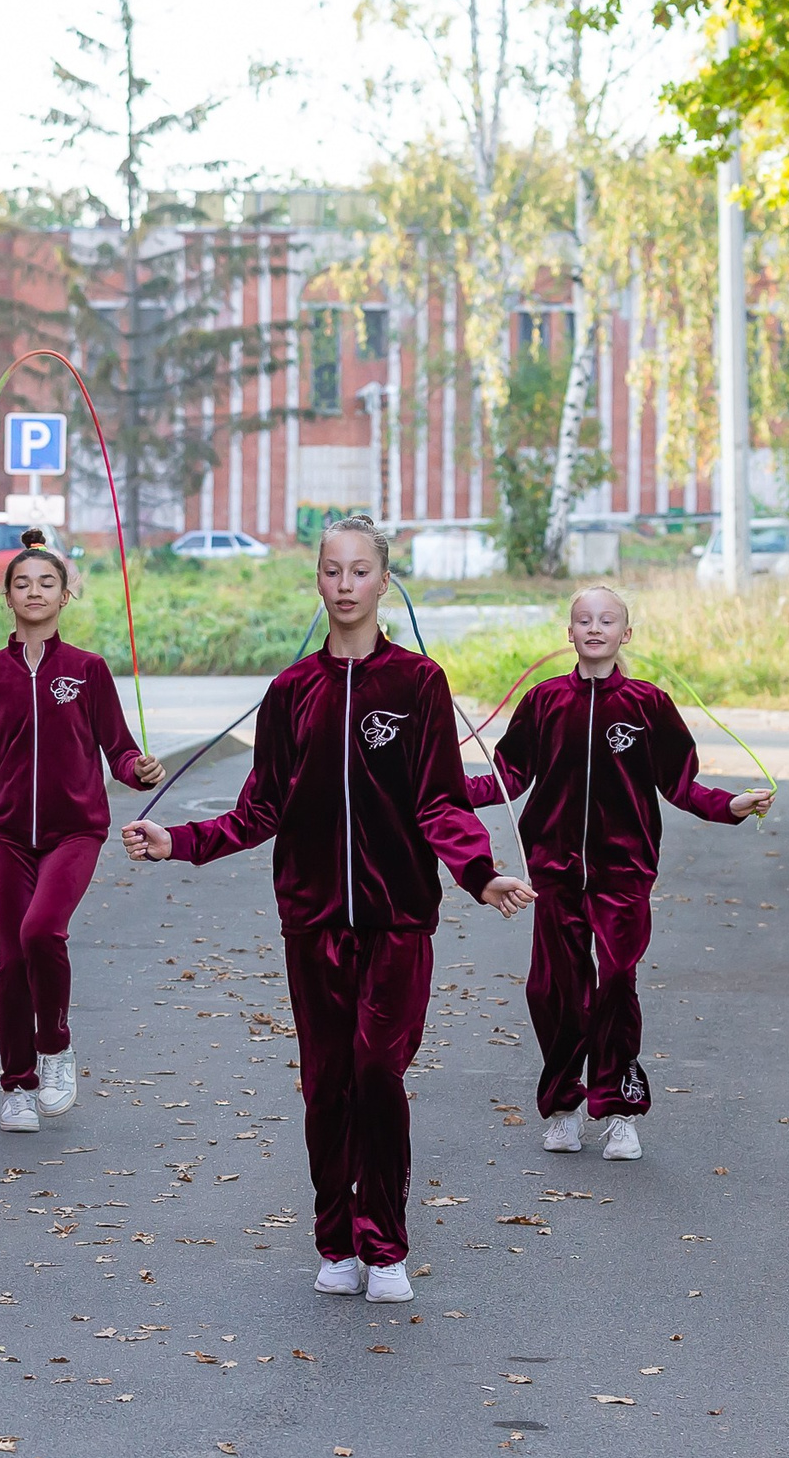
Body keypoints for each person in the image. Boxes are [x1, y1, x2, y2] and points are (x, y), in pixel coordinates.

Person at [120, 515, 534, 1306]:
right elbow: (258, 809)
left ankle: (384, 1245)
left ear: (385, 581)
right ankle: (335, 1239)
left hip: (398, 920)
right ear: (318, 580)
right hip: (312, 920)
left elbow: (441, 799)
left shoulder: (419, 684)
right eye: (331, 571)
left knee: (379, 1071)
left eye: (359, 572)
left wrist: (480, 876)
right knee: (327, 1085)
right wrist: (177, 839)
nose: (344, 586)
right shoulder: (289, 694)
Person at [464, 586, 772, 1161]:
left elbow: (681, 784)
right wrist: (439, 790)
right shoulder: (543, 701)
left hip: (624, 873)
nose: (595, 628)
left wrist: (727, 805)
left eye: (607, 620)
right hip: (554, 872)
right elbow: (506, 777)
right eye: (584, 620)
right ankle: (562, 1107)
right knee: (553, 991)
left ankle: (620, 1111)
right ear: (571, 632)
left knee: (615, 985)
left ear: (625, 633)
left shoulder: (649, 705)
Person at [0, 528, 163, 1134]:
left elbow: (120, 749)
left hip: (75, 832)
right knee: (10, 963)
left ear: (65, 595)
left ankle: (55, 1047)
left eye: (47, 582)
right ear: (7, 597)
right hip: (8, 835)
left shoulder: (88, 669)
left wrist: (139, 770)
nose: (34, 591)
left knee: (41, 931)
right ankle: (18, 1087)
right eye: (22, 583)